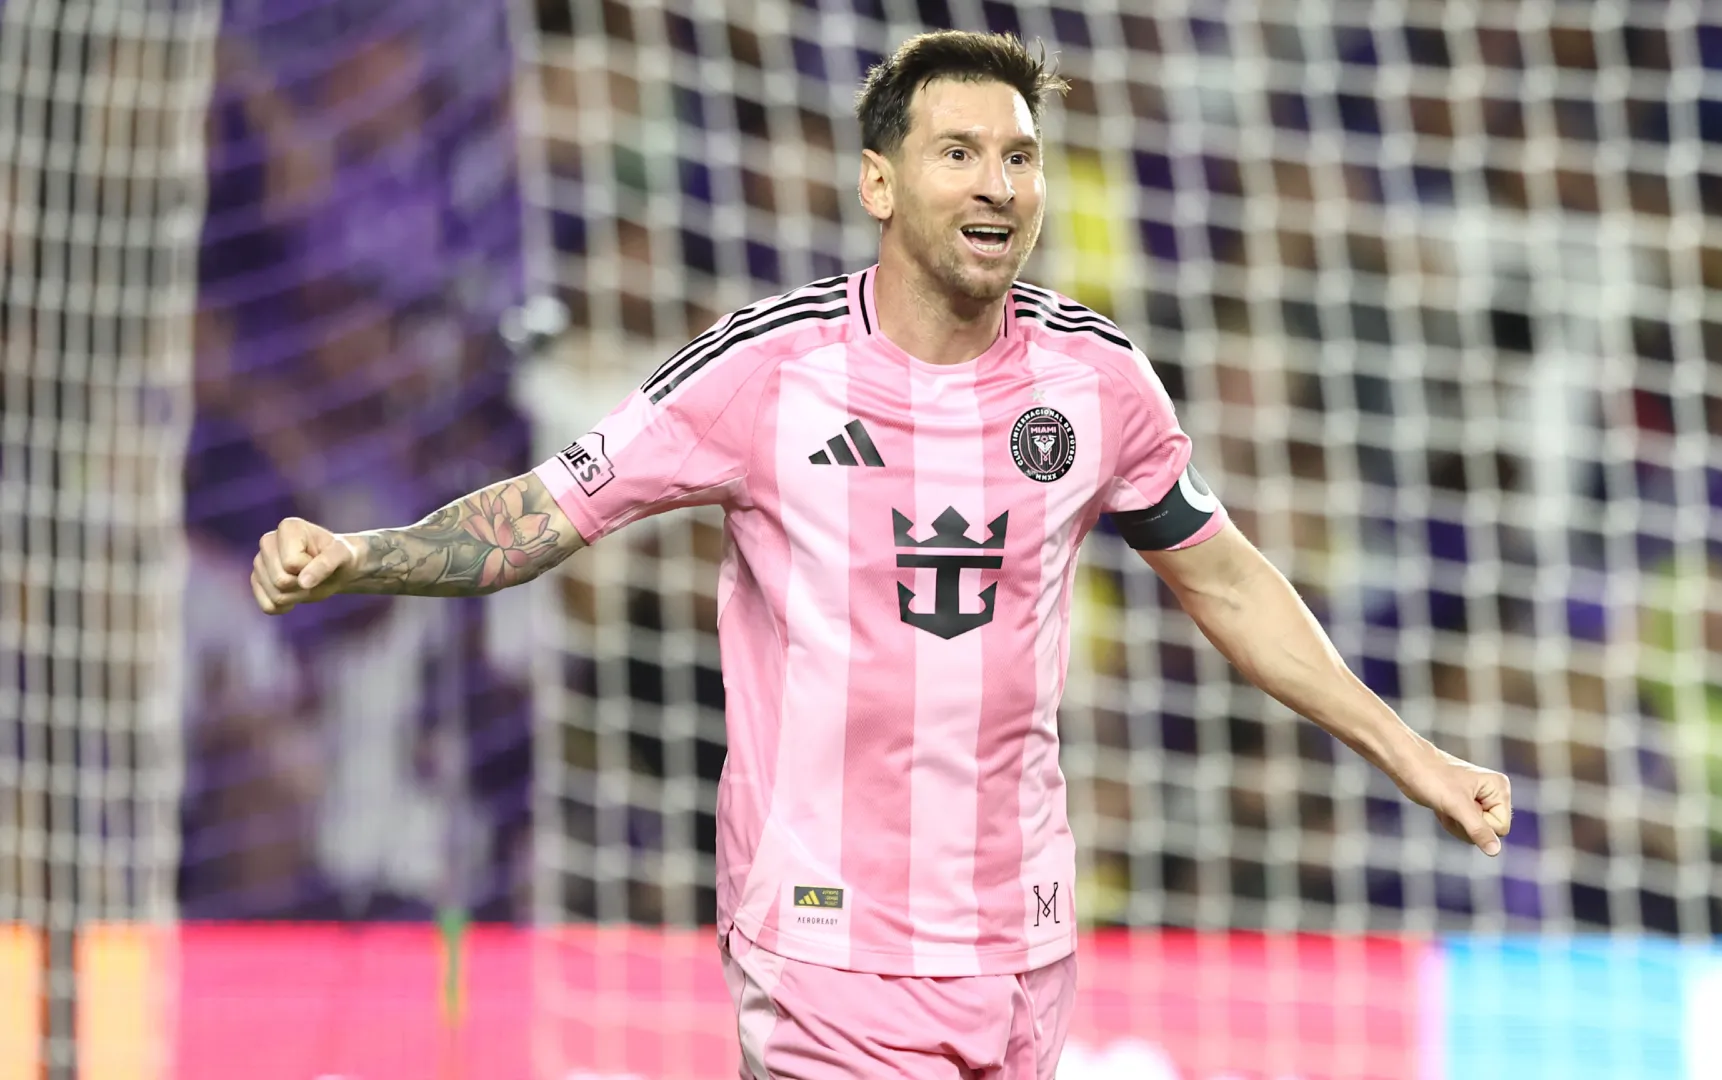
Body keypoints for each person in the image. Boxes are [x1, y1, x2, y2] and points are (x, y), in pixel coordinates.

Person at [250, 30, 1512, 1080]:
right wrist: (359, 556)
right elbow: (537, 517)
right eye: (958, 152)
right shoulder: (768, 367)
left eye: (1019, 157)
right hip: (826, 948)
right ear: (880, 184)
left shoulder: (1097, 382)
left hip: (1022, 944)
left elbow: (1227, 579)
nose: (998, 186)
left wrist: (1413, 754)